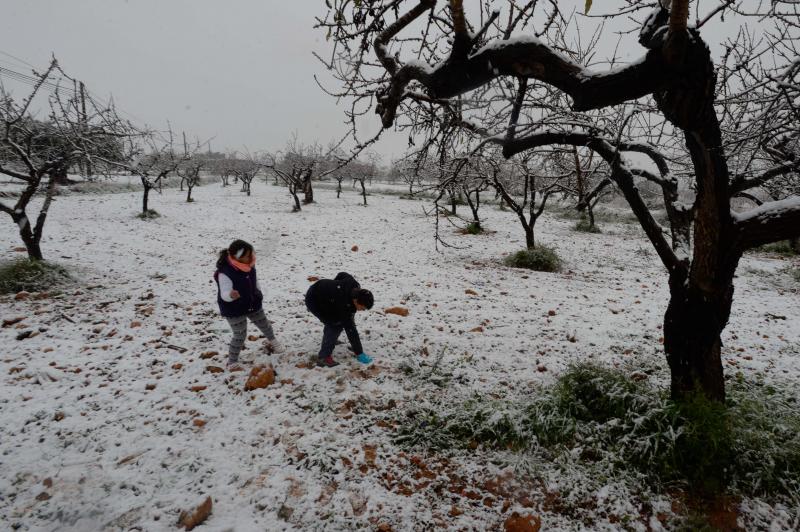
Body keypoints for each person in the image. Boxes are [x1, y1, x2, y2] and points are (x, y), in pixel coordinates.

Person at [214, 239, 283, 368]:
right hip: (234, 308)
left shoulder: (250, 265)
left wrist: (258, 291)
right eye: (248, 256)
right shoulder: (225, 273)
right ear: (237, 257)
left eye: (252, 254)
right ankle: (232, 361)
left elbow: (254, 280)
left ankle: (274, 342)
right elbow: (224, 294)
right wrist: (230, 295)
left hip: (253, 303)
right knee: (240, 335)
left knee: (265, 325)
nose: (252, 258)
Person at [305, 272, 374, 367]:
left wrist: (334, 286)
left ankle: (330, 340)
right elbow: (351, 330)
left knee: (339, 320)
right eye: (363, 308)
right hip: (314, 299)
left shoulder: (354, 284)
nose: (362, 310)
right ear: (356, 301)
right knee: (335, 325)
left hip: (323, 291)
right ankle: (324, 357)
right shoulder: (343, 305)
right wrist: (359, 352)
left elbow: (342, 274)